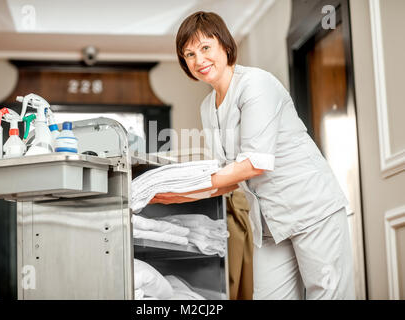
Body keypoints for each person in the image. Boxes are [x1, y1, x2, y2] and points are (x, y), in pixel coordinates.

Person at [150, 11, 355, 300]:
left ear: (224, 45)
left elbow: (253, 164)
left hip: (311, 208)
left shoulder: (256, 84)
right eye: (189, 54)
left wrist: (186, 187)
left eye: (205, 48)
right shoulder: (208, 107)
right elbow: (227, 177)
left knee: (328, 294)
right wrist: (175, 195)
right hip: (269, 222)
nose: (199, 60)